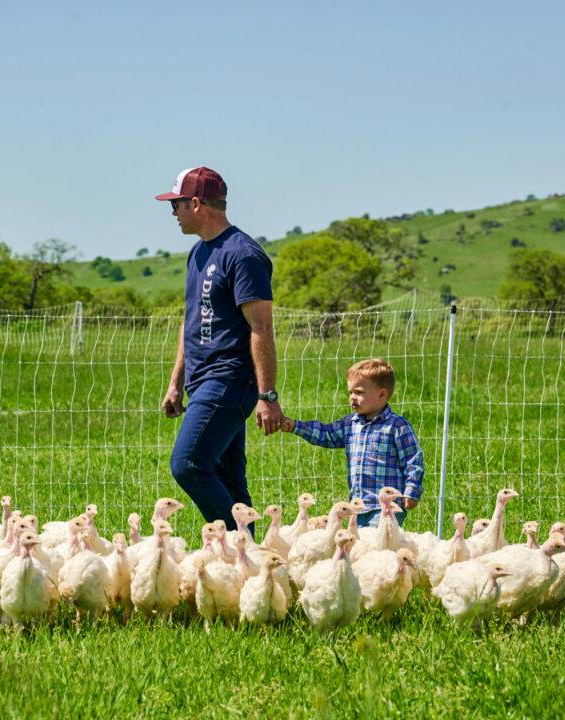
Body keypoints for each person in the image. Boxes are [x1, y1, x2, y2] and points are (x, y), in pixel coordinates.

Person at [156, 166, 282, 536]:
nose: (173, 214)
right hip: (202, 381)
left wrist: (267, 396)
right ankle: (249, 571)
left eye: (176, 205)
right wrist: (176, 382)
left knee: (189, 463)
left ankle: (231, 545)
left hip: (230, 379)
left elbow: (261, 327)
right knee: (229, 479)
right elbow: (191, 319)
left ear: (195, 203)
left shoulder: (243, 255)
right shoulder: (198, 253)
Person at [279, 358, 424, 527]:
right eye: (350, 392)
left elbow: (413, 460)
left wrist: (411, 491)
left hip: (386, 508)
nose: (352, 398)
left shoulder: (397, 426)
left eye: (359, 392)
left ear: (382, 394)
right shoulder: (350, 424)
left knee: (379, 549)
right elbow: (326, 433)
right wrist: (296, 426)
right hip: (357, 506)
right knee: (358, 549)